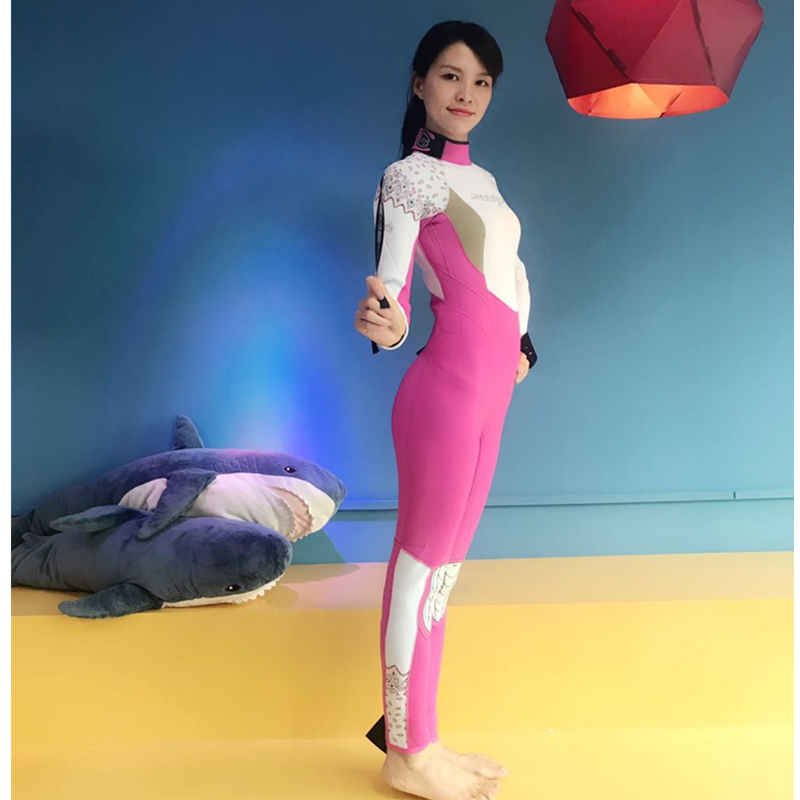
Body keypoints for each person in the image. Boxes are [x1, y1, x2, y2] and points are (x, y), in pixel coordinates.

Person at [354, 20, 537, 800]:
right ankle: (405, 752)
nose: (468, 94)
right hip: (445, 398)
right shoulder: (411, 177)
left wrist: (525, 346)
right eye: (452, 76)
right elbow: (391, 293)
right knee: (417, 571)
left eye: (482, 81)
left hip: (492, 397)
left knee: (442, 580)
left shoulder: (484, 181)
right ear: (420, 83)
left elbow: (510, 278)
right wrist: (386, 326)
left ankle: (423, 738)